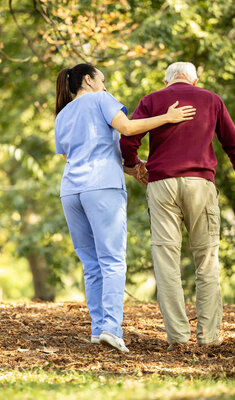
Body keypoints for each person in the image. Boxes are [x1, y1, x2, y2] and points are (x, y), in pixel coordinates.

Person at [54, 63, 195, 353]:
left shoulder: (63, 113)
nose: (105, 85)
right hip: (102, 186)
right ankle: (111, 329)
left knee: (91, 264)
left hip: (71, 190)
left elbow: (68, 154)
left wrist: (127, 167)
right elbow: (128, 128)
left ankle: (98, 329)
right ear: (89, 80)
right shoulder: (102, 99)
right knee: (113, 260)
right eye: (102, 80)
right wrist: (167, 117)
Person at [120, 62, 235, 350]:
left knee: (166, 261)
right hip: (200, 184)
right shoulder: (211, 100)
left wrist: (135, 168)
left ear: (167, 80)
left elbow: (128, 138)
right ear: (195, 81)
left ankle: (178, 339)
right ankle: (208, 338)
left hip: (161, 186)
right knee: (206, 261)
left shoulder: (152, 100)